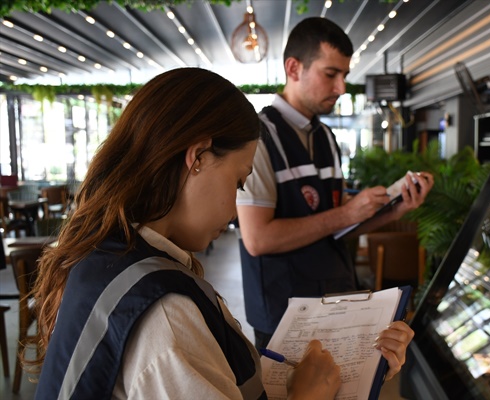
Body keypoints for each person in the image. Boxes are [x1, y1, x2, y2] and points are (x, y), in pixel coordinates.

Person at [29, 67, 414, 399]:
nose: (234, 210)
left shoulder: (107, 256)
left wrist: (353, 370)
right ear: (197, 158)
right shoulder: (164, 314)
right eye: (238, 181)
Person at [236, 17, 434, 349]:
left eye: (344, 76)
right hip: (285, 316)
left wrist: (394, 211)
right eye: (331, 75)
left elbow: (334, 231)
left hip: (335, 303)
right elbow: (257, 239)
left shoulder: (326, 137)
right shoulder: (258, 137)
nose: (341, 88)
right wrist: (346, 213)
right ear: (294, 68)